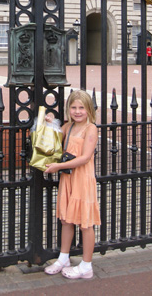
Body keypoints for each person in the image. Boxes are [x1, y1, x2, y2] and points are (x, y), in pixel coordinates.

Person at [43, 90, 100, 280]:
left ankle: (86, 265)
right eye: (74, 107)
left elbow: (84, 158)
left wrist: (58, 166)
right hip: (68, 178)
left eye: (81, 108)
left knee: (85, 223)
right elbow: (55, 140)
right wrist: (50, 123)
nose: (77, 111)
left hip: (82, 179)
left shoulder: (90, 128)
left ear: (89, 109)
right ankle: (63, 257)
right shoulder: (68, 126)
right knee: (66, 220)